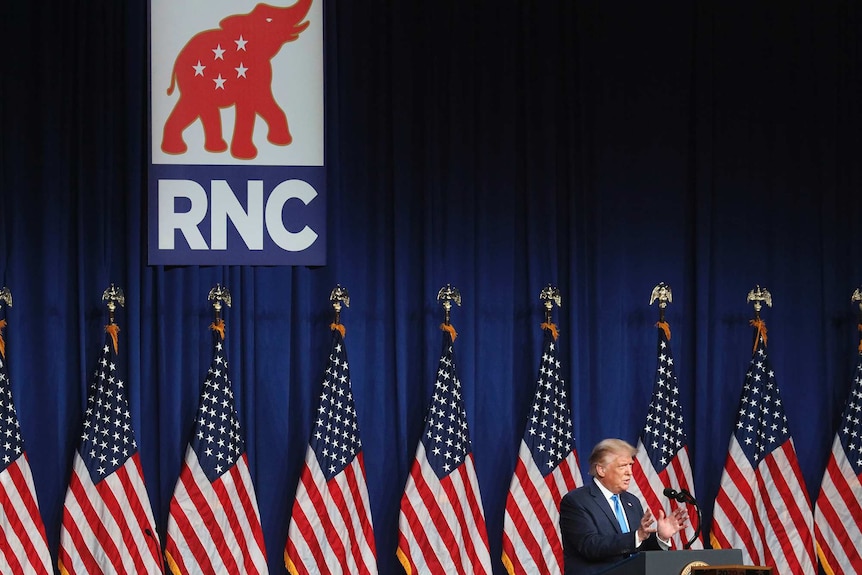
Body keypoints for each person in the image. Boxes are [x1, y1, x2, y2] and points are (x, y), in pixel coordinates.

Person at [559, 438, 688, 575]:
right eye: (622, 466)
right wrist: (637, 536)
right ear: (601, 470)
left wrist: (660, 537)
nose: (629, 472)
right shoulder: (576, 501)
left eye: (630, 465)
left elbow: (640, 547)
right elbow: (590, 546)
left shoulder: (632, 501)